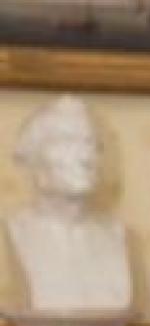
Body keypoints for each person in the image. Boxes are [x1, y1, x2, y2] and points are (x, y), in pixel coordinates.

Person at [7, 95, 131, 312]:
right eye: (67, 142)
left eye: (91, 144)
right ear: (35, 158)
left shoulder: (114, 233)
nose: (86, 157)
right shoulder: (17, 230)